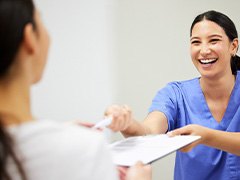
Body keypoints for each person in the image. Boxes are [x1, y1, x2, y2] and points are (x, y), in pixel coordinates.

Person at [0, 0, 152, 180]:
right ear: (30, 39)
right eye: (41, 22)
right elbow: (152, 131)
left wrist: (60, 131)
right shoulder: (83, 150)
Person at [105, 10, 240, 180]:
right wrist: (128, 124)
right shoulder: (175, 94)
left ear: (233, 46)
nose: (204, 50)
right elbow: (149, 133)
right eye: (196, 42)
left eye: (214, 41)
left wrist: (206, 136)